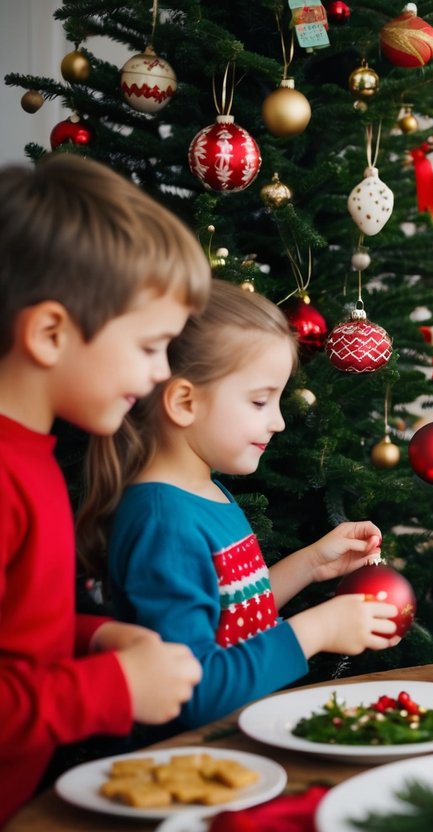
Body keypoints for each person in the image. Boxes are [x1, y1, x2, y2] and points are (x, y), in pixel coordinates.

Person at [75, 280, 403, 729]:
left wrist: (309, 565)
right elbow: (191, 691)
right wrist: (315, 631)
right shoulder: (162, 520)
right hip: (179, 771)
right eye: (260, 400)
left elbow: (232, 619)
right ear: (185, 401)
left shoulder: (205, 491)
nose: (279, 421)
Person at [0, 154, 208, 824]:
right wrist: (110, 688)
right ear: (51, 333)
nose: (160, 374)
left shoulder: (35, 452)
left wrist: (94, 638)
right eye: (151, 346)